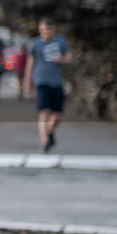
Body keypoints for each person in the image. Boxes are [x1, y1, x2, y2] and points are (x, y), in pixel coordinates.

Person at [25, 17, 72, 152]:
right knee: (44, 112)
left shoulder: (60, 42)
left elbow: (69, 57)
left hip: (57, 82)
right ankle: (44, 142)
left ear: (53, 29)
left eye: (50, 29)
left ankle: (50, 132)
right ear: (41, 29)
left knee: (57, 115)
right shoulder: (35, 44)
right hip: (41, 81)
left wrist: (62, 59)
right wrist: (27, 82)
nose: (47, 32)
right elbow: (30, 63)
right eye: (45, 29)